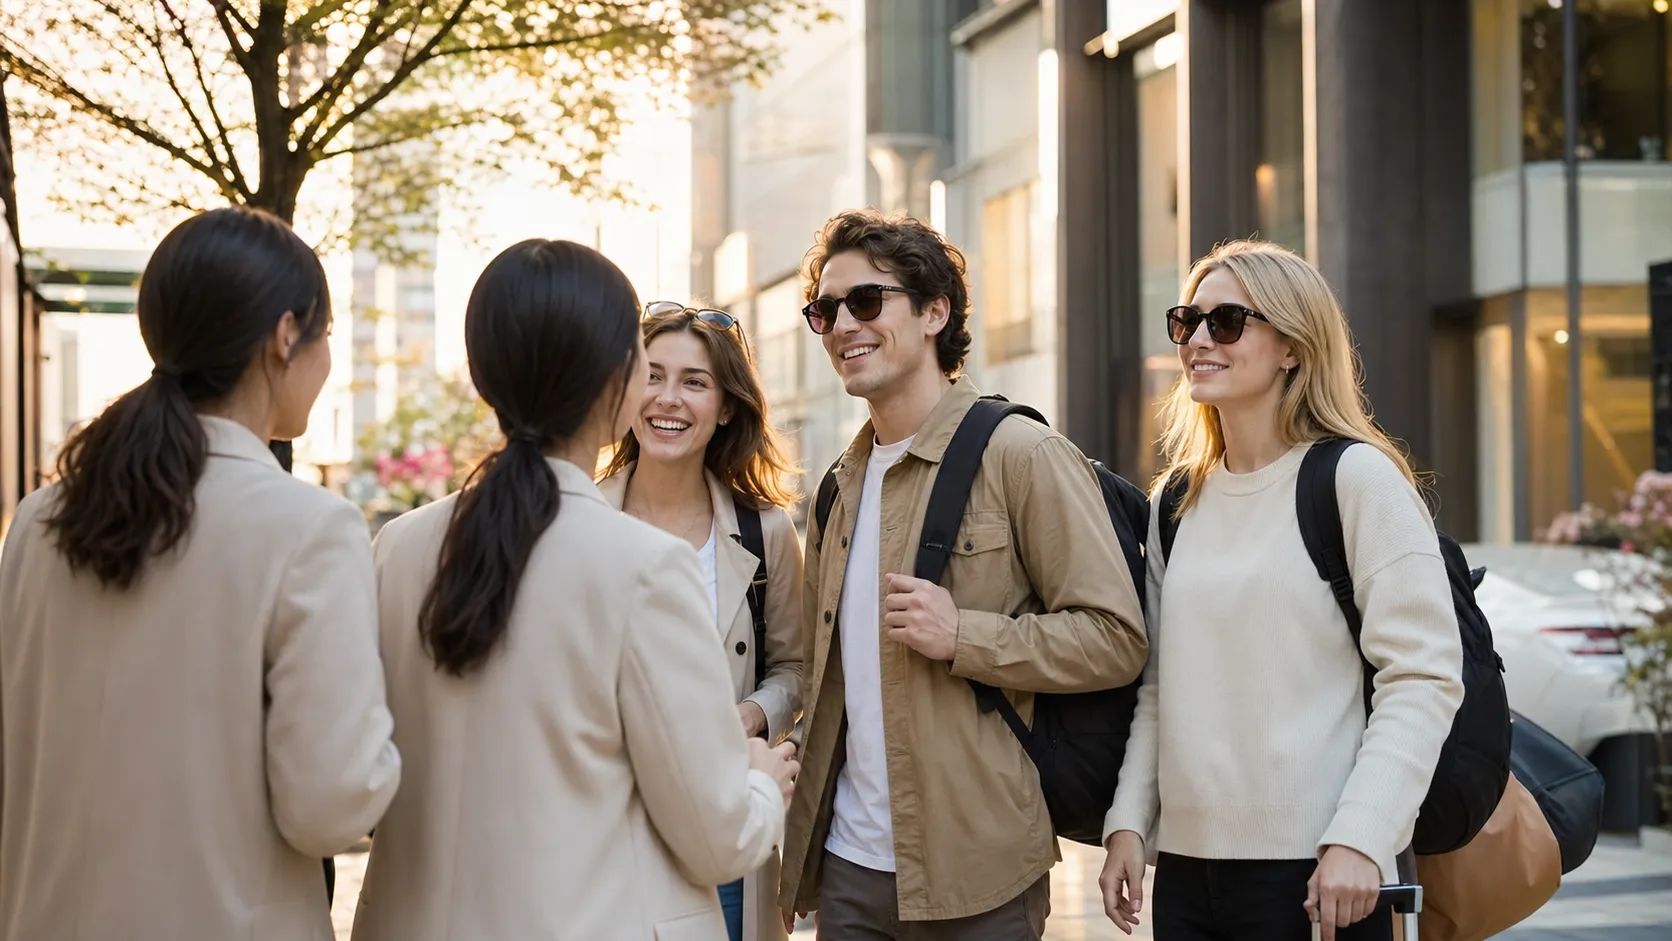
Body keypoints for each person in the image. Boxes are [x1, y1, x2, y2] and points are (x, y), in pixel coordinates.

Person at [352, 240, 800, 941]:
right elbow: (720, 838)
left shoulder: (400, 545)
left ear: (482, 373)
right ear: (619, 377)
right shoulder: (647, 566)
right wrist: (762, 782)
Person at [0, 206, 401, 941]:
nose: (327, 360)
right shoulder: (310, 529)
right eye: (327, 335)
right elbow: (330, 804)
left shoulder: (39, 520)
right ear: (286, 335)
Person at [777, 209, 1149, 939]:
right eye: (825, 310)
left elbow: (1116, 637)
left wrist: (964, 636)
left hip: (981, 873)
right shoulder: (836, 488)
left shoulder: (1022, 454)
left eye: (866, 301)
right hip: (849, 873)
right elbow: (828, 690)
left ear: (934, 312)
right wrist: (798, 861)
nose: (843, 325)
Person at [1097, 240, 1465, 941]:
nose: (1198, 340)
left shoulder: (1356, 479)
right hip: (1186, 876)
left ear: (1293, 348)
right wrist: (1129, 824)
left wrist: (1361, 836)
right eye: (1187, 321)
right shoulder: (1176, 501)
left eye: (1227, 321)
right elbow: (1160, 687)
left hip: (1321, 873)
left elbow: (1423, 676)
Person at [598, 302, 805, 941]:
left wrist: (751, 716)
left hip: (722, 823)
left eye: (694, 382)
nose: (669, 398)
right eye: (652, 376)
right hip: (602, 830)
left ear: (726, 408)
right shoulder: (579, 519)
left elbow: (797, 668)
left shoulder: (766, 531)